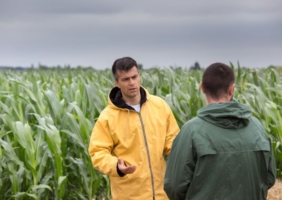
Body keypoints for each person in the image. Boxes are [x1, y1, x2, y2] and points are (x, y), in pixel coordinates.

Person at [164, 62, 276, 200]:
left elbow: (174, 187)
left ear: (202, 87)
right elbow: (269, 177)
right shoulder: (257, 127)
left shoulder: (190, 131)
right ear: (231, 89)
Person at [88, 57, 180, 200]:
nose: (132, 83)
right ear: (117, 83)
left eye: (134, 77)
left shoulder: (160, 106)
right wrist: (116, 166)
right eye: (125, 79)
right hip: (129, 196)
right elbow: (97, 152)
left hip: (162, 194)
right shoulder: (107, 117)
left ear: (139, 76)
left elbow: (173, 141)